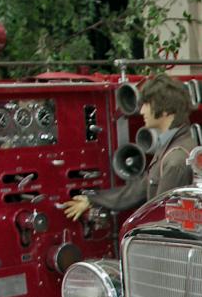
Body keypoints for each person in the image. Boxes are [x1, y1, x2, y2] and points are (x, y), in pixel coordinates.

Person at [63, 73, 195, 220]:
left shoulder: (175, 160)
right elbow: (140, 189)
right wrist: (93, 199)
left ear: (165, 110)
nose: (142, 111)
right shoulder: (172, 148)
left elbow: (165, 219)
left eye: (146, 104)